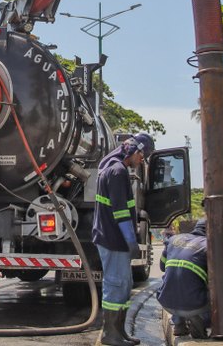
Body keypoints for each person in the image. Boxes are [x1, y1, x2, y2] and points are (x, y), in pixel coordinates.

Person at [92, 133, 154, 346]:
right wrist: (130, 241)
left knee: (124, 285)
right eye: (142, 157)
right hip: (113, 238)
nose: (141, 161)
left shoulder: (115, 168)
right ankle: (111, 334)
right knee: (116, 284)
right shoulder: (117, 171)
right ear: (136, 151)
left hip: (113, 237)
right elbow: (120, 212)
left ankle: (120, 331)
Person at [156, 218, 210, 339]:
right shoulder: (209, 245)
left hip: (166, 301)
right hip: (193, 304)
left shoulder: (174, 239)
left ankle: (179, 323)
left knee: (177, 279)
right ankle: (198, 318)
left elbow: (162, 266)